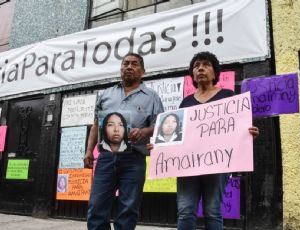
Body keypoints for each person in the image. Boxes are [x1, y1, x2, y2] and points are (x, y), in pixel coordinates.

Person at [176, 51, 259, 230]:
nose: (200, 68)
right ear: (192, 74)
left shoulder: (228, 97)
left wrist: (248, 132)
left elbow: (238, 127)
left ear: (215, 73)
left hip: (217, 165)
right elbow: (177, 134)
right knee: (185, 210)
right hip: (187, 166)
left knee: (212, 210)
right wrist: (161, 147)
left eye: (206, 65)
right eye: (196, 66)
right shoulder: (186, 102)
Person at [84, 53, 164, 230]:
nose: (129, 67)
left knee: (128, 209)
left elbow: (160, 126)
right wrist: (89, 151)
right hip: (105, 158)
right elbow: (96, 124)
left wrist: (144, 131)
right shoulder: (106, 94)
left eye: (134, 64)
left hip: (134, 160)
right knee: (97, 206)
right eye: (125, 63)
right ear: (121, 68)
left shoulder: (152, 97)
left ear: (143, 71)